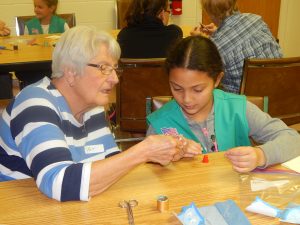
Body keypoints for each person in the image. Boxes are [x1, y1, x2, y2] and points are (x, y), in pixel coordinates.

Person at [0, 26, 201, 201]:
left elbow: (111, 165)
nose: (115, 79)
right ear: (71, 72)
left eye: (115, 69)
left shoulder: (91, 107)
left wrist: (161, 153)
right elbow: (59, 183)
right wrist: (143, 150)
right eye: (104, 68)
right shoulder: (35, 102)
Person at [146, 35, 300, 173]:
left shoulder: (238, 109)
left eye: (198, 89)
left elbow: (294, 140)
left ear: (217, 80)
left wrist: (261, 155)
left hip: (236, 197)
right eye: (177, 88)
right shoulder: (160, 123)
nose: (187, 99)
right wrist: (169, 155)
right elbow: (149, 172)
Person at [191, 0, 282, 94]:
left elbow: (199, 72)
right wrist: (218, 32)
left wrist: (198, 41)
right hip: (278, 91)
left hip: (243, 103)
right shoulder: (257, 19)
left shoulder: (215, 46)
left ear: (211, 13)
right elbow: (239, 37)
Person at [117, 0, 183, 58]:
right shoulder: (174, 34)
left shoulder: (124, 36)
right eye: (168, 11)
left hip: (132, 72)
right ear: (162, 13)